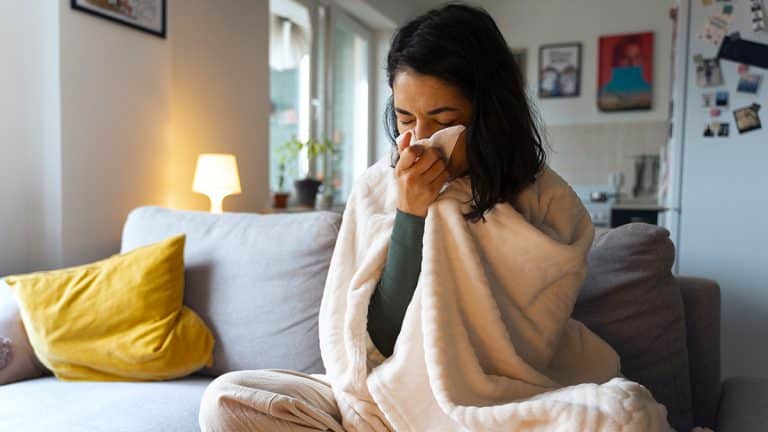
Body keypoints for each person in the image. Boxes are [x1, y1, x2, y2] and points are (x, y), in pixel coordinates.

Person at [199, 4, 556, 431]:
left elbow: (522, 349)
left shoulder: (537, 200)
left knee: (616, 412)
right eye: (406, 118)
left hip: (474, 406)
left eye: (444, 121)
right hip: (374, 394)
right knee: (229, 400)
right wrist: (411, 213)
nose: (420, 141)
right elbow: (375, 343)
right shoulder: (377, 187)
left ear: (490, 116)